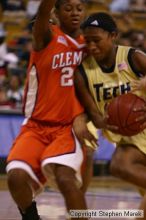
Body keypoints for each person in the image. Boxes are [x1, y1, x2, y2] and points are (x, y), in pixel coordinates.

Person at [6, 1, 97, 220]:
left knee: (69, 179)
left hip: (68, 125)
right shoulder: (45, 37)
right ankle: (30, 215)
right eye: (67, 8)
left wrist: (84, 115)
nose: (74, 13)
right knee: (15, 177)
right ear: (55, 13)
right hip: (37, 125)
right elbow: (42, 13)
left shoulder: (90, 45)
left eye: (79, 8)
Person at [74, 12, 146, 220]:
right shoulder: (83, 72)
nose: (91, 46)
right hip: (127, 135)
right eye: (87, 41)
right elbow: (94, 115)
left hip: (141, 129)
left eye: (96, 40)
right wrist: (90, 120)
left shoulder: (133, 57)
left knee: (120, 165)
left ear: (113, 36)